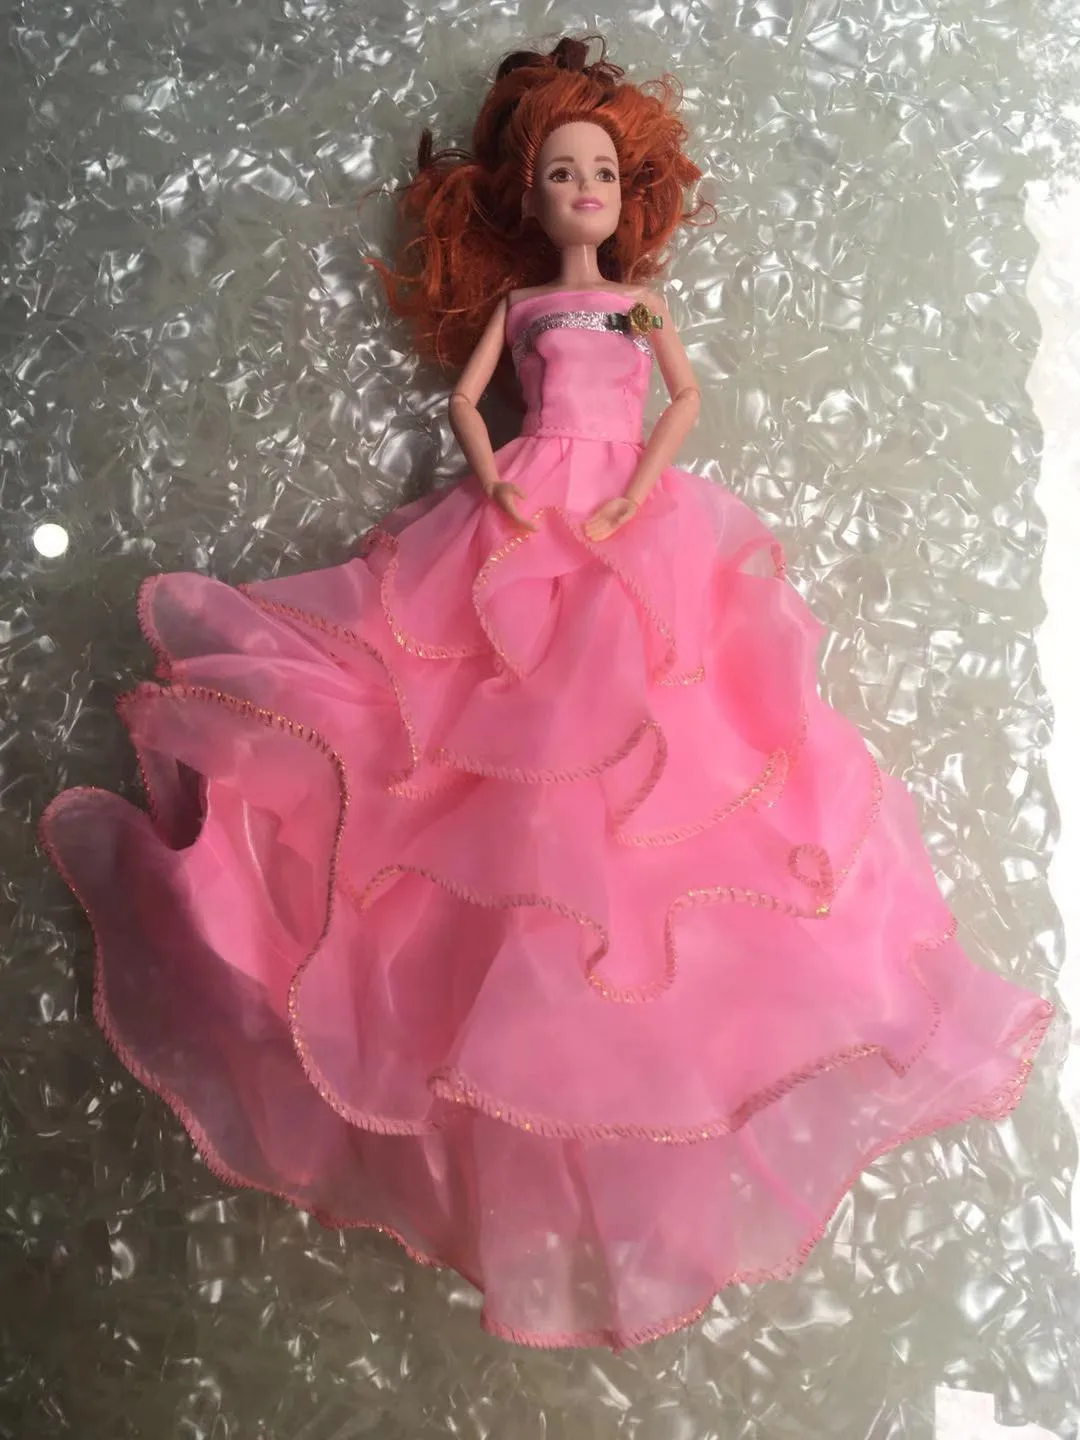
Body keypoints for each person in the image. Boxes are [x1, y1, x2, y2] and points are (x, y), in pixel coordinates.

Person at [40, 33, 1054, 1350]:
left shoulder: (636, 307)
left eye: (603, 174)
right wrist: (497, 478)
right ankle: (473, 1015)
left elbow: (684, 401)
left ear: (634, 195)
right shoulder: (526, 310)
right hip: (521, 515)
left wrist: (634, 495)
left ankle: (634, 1047)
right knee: (481, 736)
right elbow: (472, 405)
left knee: (669, 736)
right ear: (528, 195)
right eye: (565, 173)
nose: (585, 191)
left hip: (634, 523)